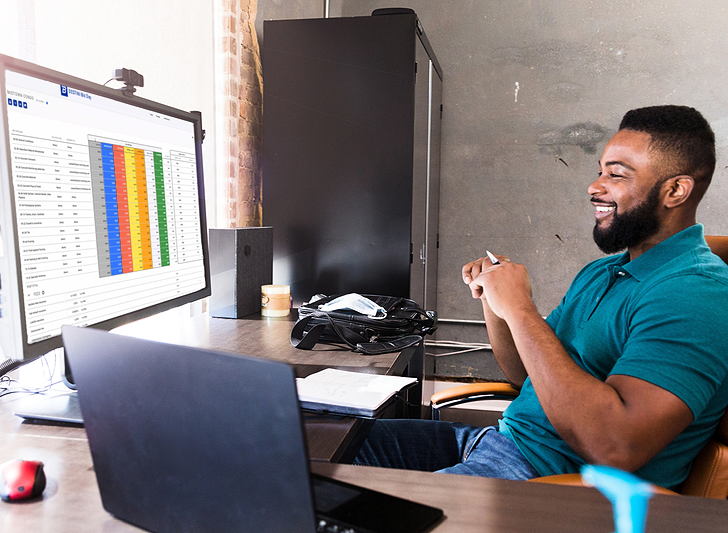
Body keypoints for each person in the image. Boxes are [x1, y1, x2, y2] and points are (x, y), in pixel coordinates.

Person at [353, 105, 728, 489]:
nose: (594, 186)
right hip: (501, 442)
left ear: (675, 190)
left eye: (616, 174)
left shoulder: (695, 294)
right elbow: (527, 375)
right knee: (322, 446)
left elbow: (617, 446)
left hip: (552, 483)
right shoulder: (602, 272)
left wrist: (520, 308)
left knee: (356, 507)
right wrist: (496, 302)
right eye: (600, 170)